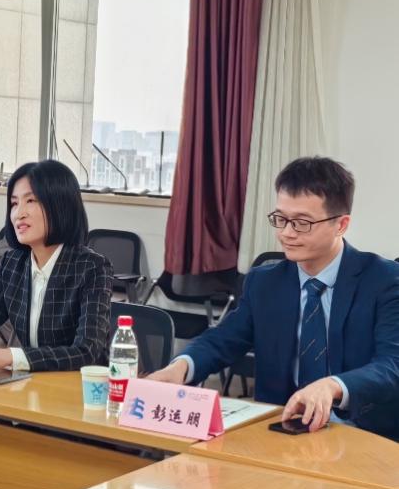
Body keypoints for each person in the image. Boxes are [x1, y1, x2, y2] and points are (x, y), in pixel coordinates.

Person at [148, 156, 399, 440]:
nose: (286, 233)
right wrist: (180, 367)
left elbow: (392, 364)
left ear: (341, 225)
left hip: (363, 435)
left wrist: (333, 386)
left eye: (302, 223)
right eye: (280, 219)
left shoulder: (384, 281)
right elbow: (223, 339)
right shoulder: (265, 282)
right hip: (281, 429)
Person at [0, 159, 113, 373]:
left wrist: (9, 356)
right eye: (14, 203)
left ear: (60, 205)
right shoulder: (12, 263)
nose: (19, 214)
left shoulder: (92, 267)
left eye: (31, 201)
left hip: (81, 386)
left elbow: (87, 351)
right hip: (31, 383)